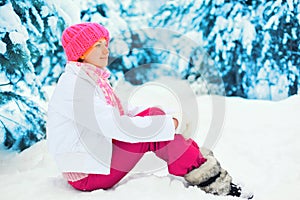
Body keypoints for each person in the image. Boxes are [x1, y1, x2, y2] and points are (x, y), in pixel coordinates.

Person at [46, 22, 247, 197]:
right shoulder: (75, 87)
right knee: (153, 134)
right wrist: (165, 125)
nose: (106, 50)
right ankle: (211, 179)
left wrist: (164, 118)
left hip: (94, 160)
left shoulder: (88, 79)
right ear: (81, 53)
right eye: (98, 45)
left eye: (105, 45)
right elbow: (113, 125)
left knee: (153, 118)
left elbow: (123, 111)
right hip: (87, 174)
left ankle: (200, 165)